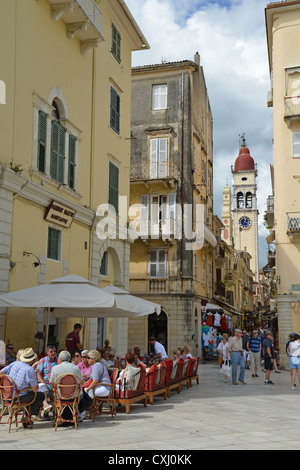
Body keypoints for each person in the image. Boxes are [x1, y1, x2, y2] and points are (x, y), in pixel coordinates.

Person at [0, 347, 44, 424]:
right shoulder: (30, 370)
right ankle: (27, 417)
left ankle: (25, 415)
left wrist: (5, 384)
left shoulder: (15, 363)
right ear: (32, 360)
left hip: (6, 396)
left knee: (29, 393)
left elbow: (1, 372)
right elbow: (35, 389)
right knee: (40, 395)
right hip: (18, 398)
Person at [50, 350, 92, 422]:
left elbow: (52, 384)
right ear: (69, 359)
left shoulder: (55, 369)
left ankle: (57, 415)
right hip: (74, 396)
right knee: (83, 395)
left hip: (60, 396)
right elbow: (81, 383)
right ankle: (77, 412)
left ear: (60, 359)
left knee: (51, 394)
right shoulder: (76, 368)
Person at [36, 345, 58, 411]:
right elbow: (38, 374)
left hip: (56, 383)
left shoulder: (59, 360)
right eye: (51, 351)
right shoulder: (43, 360)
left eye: (54, 351)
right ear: (47, 353)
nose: (53, 353)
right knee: (42, 386)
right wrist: (43, 382)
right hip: (46, 383)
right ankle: (46, 406)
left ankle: (56, 411)